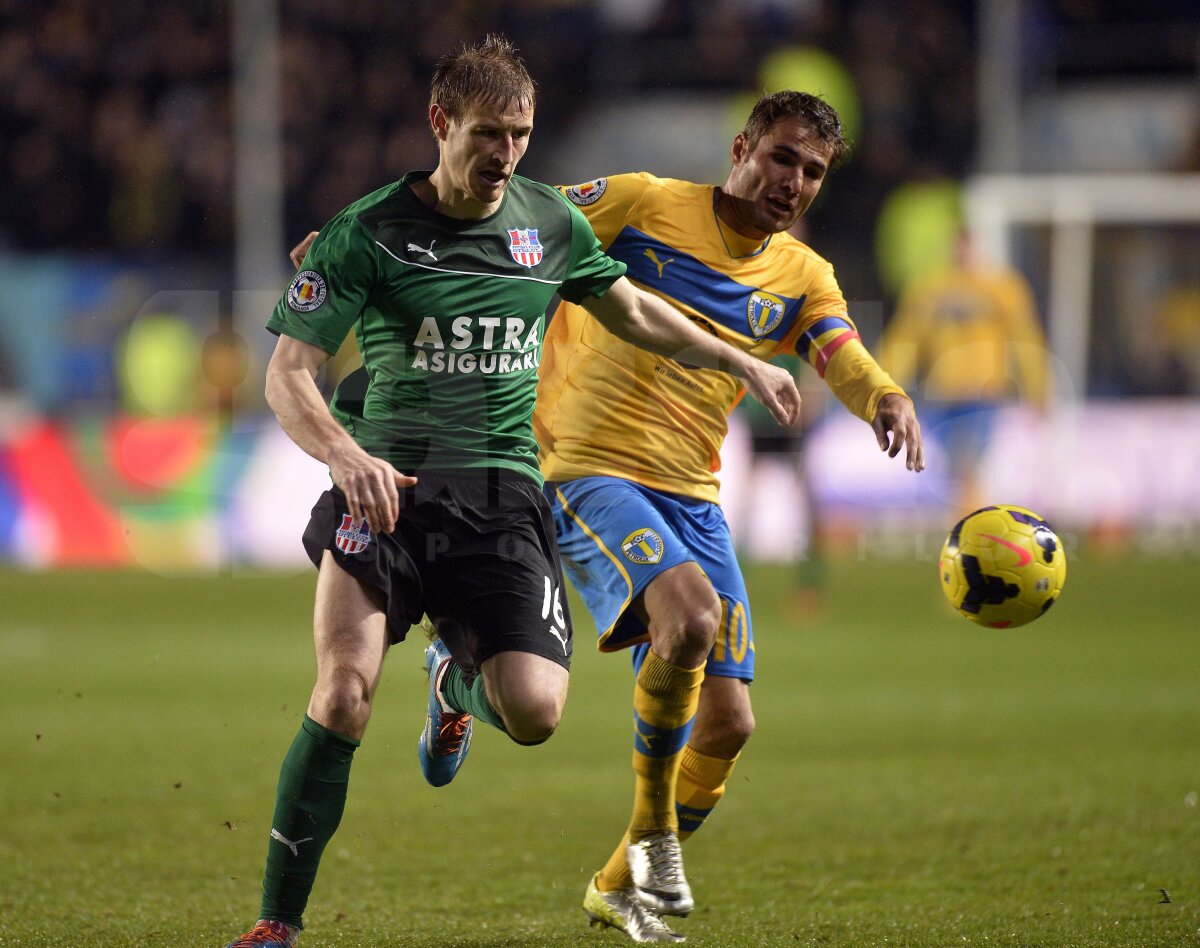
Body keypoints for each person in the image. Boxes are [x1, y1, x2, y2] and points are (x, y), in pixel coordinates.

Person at [226, 36, 803, 948]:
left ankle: (455, 681)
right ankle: (277, 923)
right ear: (440, 123)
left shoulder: (548, 225)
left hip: (503, 501)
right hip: (388, 492)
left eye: (522, 135)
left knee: (535, 714)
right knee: (342, 693)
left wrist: (742, 361)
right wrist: (344, 456)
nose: (506, 155)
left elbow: (637, 312)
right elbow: (288, 376)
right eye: (489, 134)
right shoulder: (369, 229)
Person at [536, 92, 924, 942]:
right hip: (587, 465)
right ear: (743, 146)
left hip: (694, 491)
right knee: (691, 618)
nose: (794, 182)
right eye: (782, 158)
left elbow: (840, 353)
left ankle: (618, 883)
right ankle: (653, 838)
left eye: (813, 172)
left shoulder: (803, 276)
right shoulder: (642, 202)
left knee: (730, 720)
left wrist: (885, 395)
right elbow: (522, 227)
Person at [879, 226, 1048, 512]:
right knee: (954, 468)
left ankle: (970, 524)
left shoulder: (1002, 288)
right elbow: (904, 341)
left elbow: (1025, 339)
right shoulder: (931, 290)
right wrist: (882, 386)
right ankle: (968, 523)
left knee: (969, 464)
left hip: (985, 393)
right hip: (944, 394)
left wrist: (1038, 387)